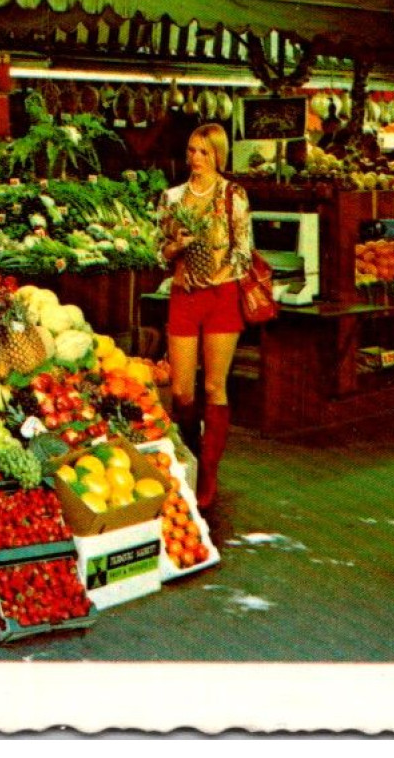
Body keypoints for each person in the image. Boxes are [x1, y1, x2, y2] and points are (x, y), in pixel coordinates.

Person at [157, 123, 255, 510]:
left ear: (218, 155)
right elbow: (156, 250)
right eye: (192, 151)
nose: (196, 159)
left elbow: (244, 250)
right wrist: (173, 248)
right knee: (182, 390)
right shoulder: (173, 198)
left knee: (215, 386)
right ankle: (191, 454)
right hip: (184, 295)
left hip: (221, 296)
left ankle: (208, 473)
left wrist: (219, 274)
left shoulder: (234, 195)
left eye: (204, 152)